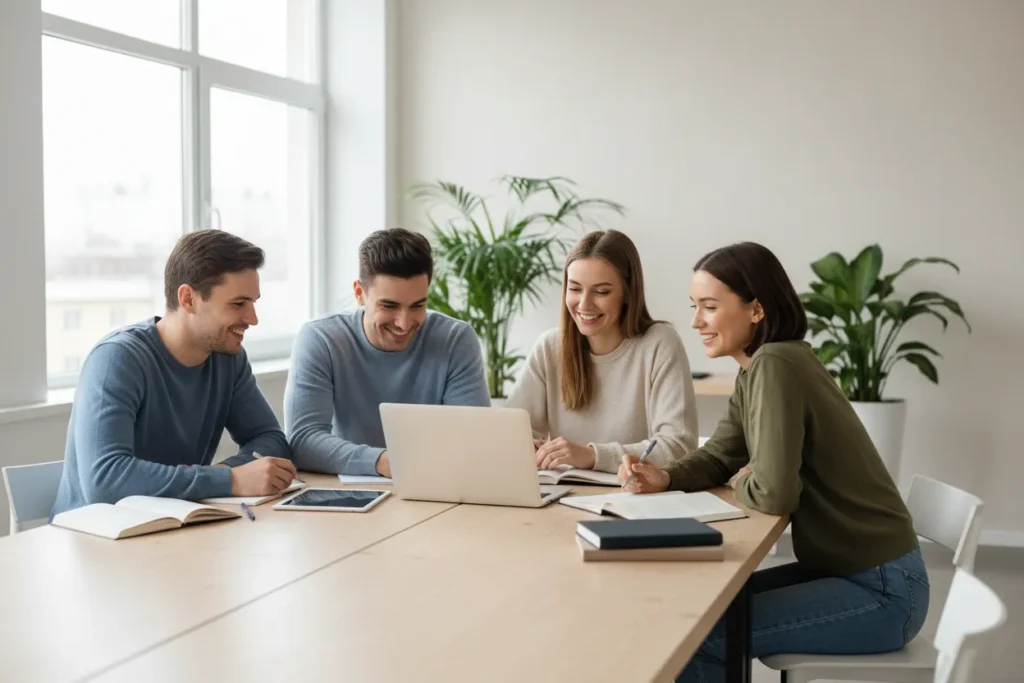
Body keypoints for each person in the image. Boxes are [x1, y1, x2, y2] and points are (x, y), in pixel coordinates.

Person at [618, 242, 929, 683]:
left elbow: (774, 491)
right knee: (701, 613)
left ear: (756, 310)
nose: (696, 321)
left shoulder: (776, 364)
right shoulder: (760, 366)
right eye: (695, 306)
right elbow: (724, 452)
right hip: (856, 574)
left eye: (709, 306)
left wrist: (748, 477)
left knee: (701, 636)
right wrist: (666, 476)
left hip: (881, 591)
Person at [51, 230, 296, 518]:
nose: (253, 319)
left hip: (175, 525)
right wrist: (229, 480)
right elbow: (105, 482)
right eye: (238, 304)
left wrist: (224, 473)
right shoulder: (117, 359)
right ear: (188, 298)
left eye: (254, 303)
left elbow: (270, 439)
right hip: (95, 535)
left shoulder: (228, 358)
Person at [285, 228, 490, 476]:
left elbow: (473, 438)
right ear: (359, 293)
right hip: (345, 494)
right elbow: (302, 441)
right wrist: (384, 462)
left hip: (437, 487)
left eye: (418, 305)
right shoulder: (321, 339)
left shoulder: (456, 339)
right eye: (389, 306)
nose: (404, 323)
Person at [506, 229, 698, 474]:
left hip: (634, 497)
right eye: (575, 289)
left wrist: (592, 455)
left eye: (601, 292)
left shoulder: (659, 343)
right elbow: (511, 434)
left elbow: (679, 446)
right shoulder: (549, 347)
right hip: (564, 499)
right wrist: (527, 448)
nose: (584, 304)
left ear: (628, 292)